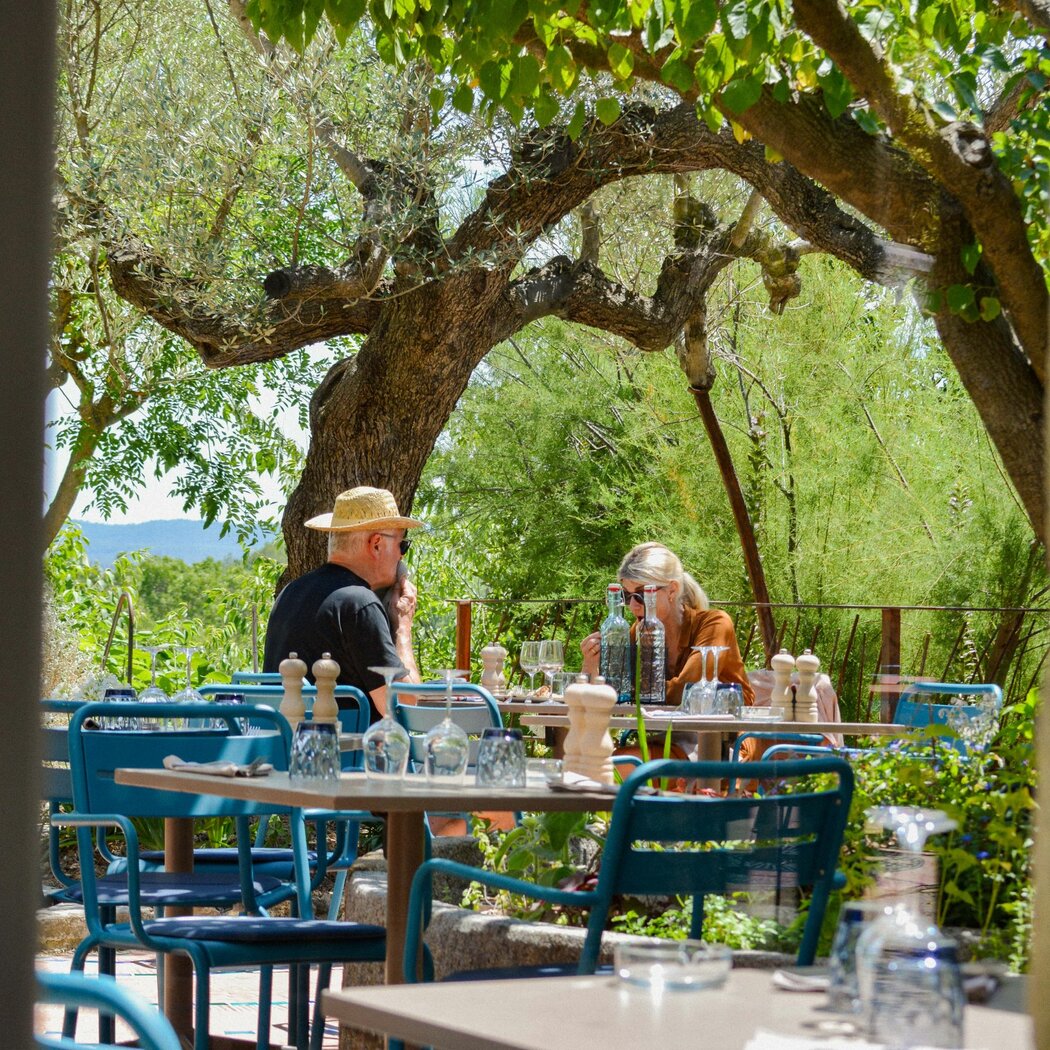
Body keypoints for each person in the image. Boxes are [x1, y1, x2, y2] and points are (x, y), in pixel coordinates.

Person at [263, 486, 423, 722]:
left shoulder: (290, 592)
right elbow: (407, 707)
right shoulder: (359, 603)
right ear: (376, 544)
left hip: (281, 741)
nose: (401, 556)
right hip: (340, 744)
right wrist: (403, 627)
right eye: (403, 545)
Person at [580, 541, 755, 711]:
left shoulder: (715, 624)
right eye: (626, 596)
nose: (633, 606)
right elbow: (606, 697)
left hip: (731, 727)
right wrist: (591, 665)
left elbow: (686, 692)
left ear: (672, 590)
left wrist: (625, 691)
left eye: (642, 594)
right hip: (669, 728)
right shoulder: (638, 631)